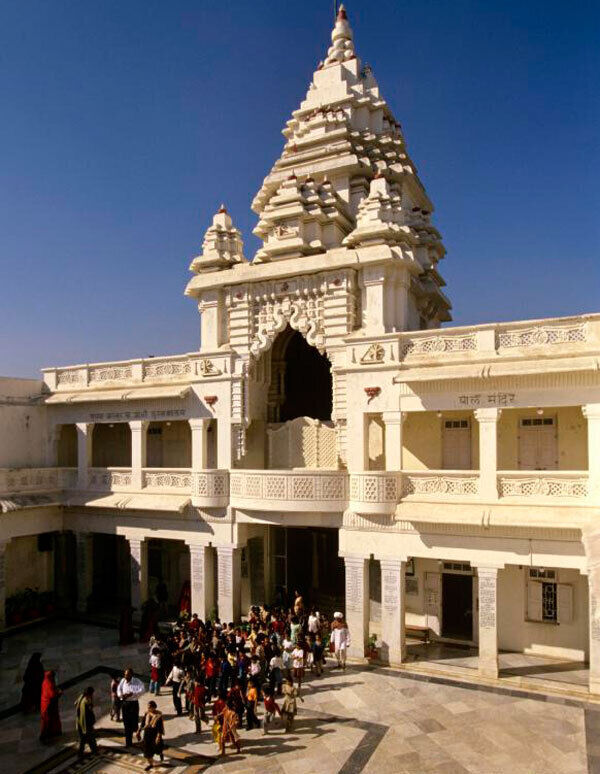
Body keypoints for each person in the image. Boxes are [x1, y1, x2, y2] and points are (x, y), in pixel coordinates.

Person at [117, 667, 145, 747]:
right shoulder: (123, 681)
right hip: (125, 704)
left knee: (134, 724)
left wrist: (133, 694)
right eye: (125, 675)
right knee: (126, 724)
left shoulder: (137, 681)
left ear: (131, 675)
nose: (125, 677)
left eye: (127, 675)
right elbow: (119, 689)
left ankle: (137, 735)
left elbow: (142, 690)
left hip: (133, 704)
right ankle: (128, 742)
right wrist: (121, 695)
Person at [137, 700, 165, 770]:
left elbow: (160, 728)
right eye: (148, 707)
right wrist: (139, 731)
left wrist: (158, 737)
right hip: (147, 734)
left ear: (154, 707)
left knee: (157, 748)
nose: (148, 708)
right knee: (147, 750)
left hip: (155, 735)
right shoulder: (146, 714)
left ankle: (160, 753)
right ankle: (150, 764)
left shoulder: (158, 716)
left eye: (149, 707)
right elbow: (143, 723)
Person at [39, 670, 62, 743]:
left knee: (51, 720)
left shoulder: (47, 682)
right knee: (47, 722)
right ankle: (45, 737)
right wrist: (59, 693)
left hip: (49, 705)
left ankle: (53, 733)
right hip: (48, 706)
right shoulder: (48, 684)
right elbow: (52, 694)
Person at [75, 686, 97, 758]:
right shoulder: (87, 701)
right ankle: (93, 751)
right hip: (85, 723)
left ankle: (85, 752)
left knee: (84, 738)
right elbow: (89, 713)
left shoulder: (81, 697)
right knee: (89, 737)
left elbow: (75, 703)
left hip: (79, 722)